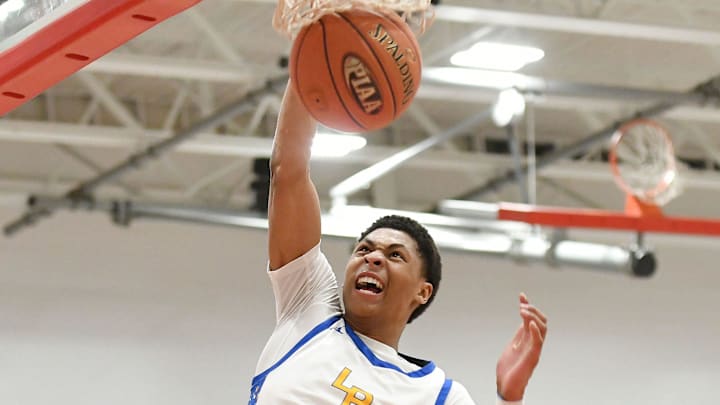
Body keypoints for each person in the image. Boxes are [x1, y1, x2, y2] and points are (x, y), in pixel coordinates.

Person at [248, 82, 548, 404]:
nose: (373, 258)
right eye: (364, 249)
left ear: (423, 291)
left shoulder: (438, 394)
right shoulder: (310, 308)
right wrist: (305, 63)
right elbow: (288, 169)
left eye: (395, 255)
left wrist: (509, 397)